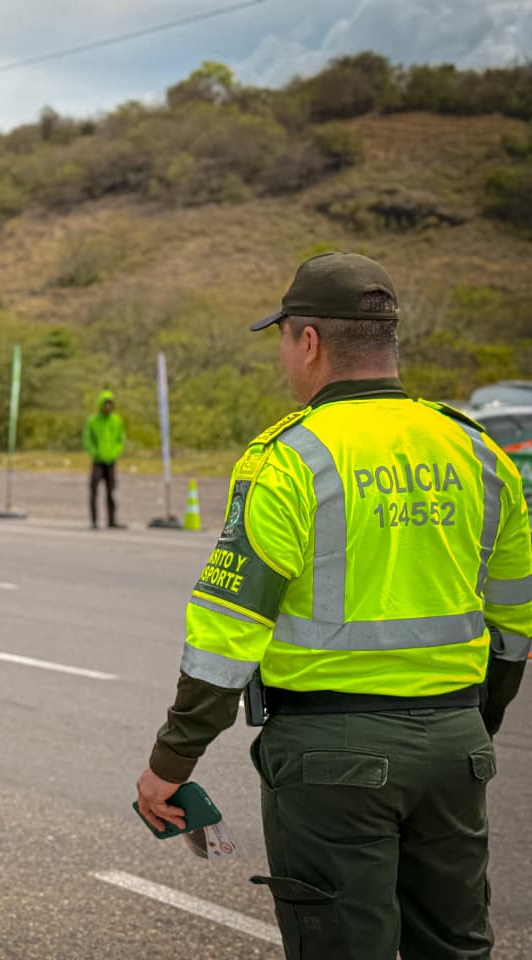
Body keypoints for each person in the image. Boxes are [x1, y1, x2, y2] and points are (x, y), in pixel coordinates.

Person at [134, 252, 532, 959]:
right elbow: (514, 624)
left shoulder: (287, 458)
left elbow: (226, 639)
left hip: (330, 758)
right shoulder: (478, 451)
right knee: (456, 946)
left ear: (308, 341)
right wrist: (475, 727)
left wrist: (171, 762)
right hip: (454, 745)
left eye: (283, 339)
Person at [83, 389, 125, 529]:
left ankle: (112, 520)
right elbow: (87, 440)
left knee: (111, 491)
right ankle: (94, 520)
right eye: (105, 404)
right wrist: (94, 452)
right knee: (94, 490)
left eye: (109, 404)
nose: (107, 407)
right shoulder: (93, 421)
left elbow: (120, 439)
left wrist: (115, 452)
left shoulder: (116, 421)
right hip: (98, 460)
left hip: (111, 460)